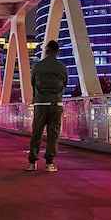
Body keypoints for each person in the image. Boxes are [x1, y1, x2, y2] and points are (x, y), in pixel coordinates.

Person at [27, 40, 68, 172]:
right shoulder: (61, 67)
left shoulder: (37, 66)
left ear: (46, 50)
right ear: (57, 51)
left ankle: (32, 163)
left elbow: (33, 83)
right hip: (55, 104)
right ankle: (49, 163)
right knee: (53, 134)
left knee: (37, 133)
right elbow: (65, 83)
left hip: (40, 103)